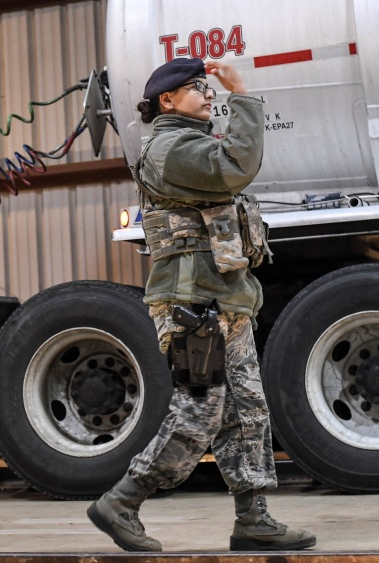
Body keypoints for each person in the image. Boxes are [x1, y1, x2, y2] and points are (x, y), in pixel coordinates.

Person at [86, 57, 316, 552]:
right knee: (201, 412)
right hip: (195, 304)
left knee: (247, 412)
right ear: (166, 100)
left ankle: (253, 518)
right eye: (196, 87)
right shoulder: (169, 148)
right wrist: (243, 96)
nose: (208, 93)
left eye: (209, 87)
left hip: (223, 301)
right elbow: (234, 169)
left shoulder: (189, 143)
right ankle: (122, 500)